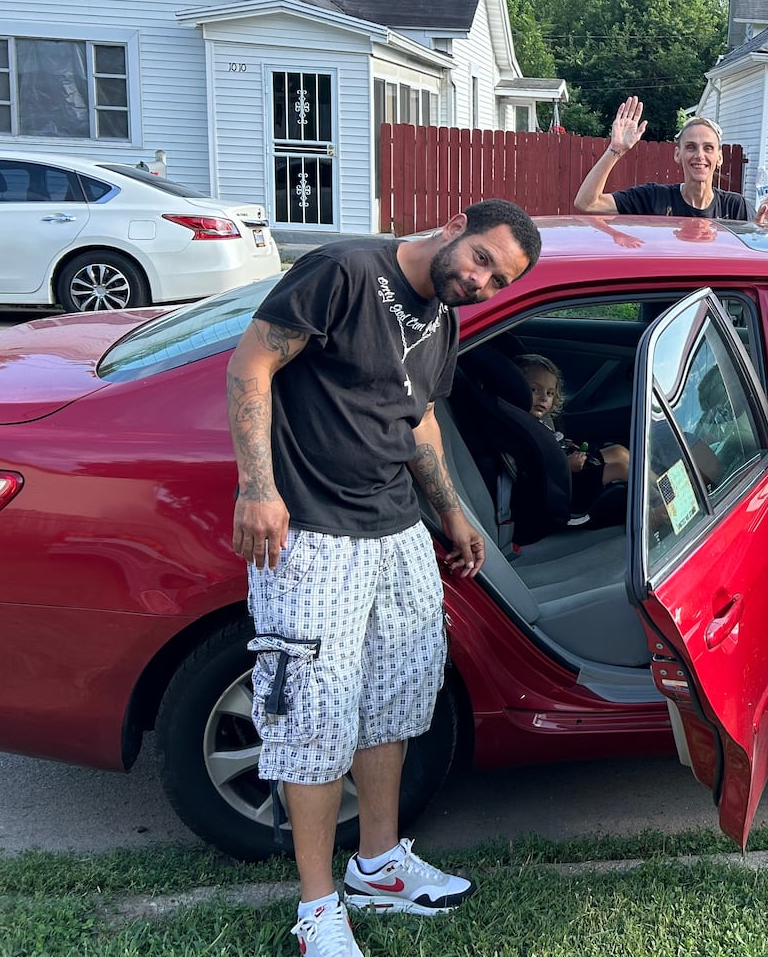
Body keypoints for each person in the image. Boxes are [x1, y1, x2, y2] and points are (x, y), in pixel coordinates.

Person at [226, 200, 540, 957]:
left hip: (397, 531)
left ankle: (378, 865)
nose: (481, 281)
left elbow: (420, 419)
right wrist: (257, 487)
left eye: (497, 279)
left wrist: (453, 513)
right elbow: (252, 363)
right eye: (482, 260)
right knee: (313, 718)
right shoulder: (345, 272)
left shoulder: (445, 318)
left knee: (394, 700)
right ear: (455, 225)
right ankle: (317, 907)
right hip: (315, 536)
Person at [573, 97, 768, 225]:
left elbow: (747, 260)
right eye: (691, 147)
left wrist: (760, 231)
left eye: (708, 148)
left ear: (719, 158)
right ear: (677, 154)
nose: (700, 156)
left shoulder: (735, 207)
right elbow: (587, 202)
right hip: (665, 300)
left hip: (712, 300)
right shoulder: (654, 198)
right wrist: (615, 149)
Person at [518, 353, 631, 517]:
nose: (543, 398)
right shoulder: (520, 428)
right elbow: (534, 471)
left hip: (569, 470)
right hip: (563, 487)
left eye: (549, 393)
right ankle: (656, 513)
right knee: (620, 469)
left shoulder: (540, 420)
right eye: (535, 390)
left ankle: (669, 490)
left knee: (618, 451)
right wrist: (566, 465)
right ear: (516, 386)